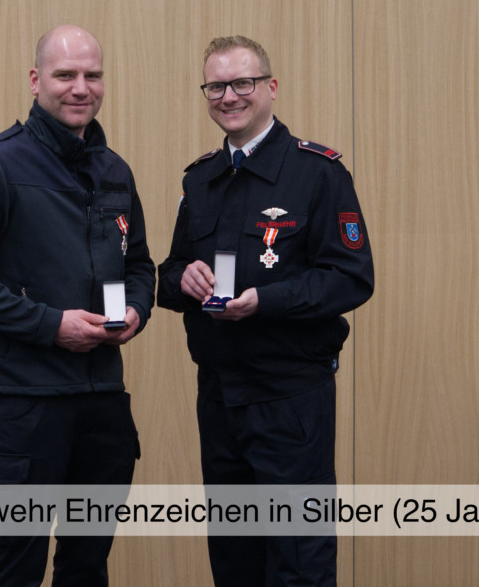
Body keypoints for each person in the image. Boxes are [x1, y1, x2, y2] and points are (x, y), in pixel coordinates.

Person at [0, 25, 155, 587]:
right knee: (17, 565)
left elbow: (139, 265)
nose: (81, 88)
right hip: (24, 406)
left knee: (87, 565)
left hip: (102, 402)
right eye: (65, 75)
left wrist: (135, 309)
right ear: (36, 81)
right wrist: (49, 325)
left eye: (92, 75)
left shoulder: (115, 171)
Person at [157, 36, 374, 587]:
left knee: (299, 556)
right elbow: (168, 274)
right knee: (234, 557)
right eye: (216, 86)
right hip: (218, 396)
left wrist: (266, 302)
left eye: (242, 83)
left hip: (290, 396)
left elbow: (351, 277)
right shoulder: (199, 179)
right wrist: (183, 279)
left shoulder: (318, 173)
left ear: (271, 87)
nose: (229, 96)